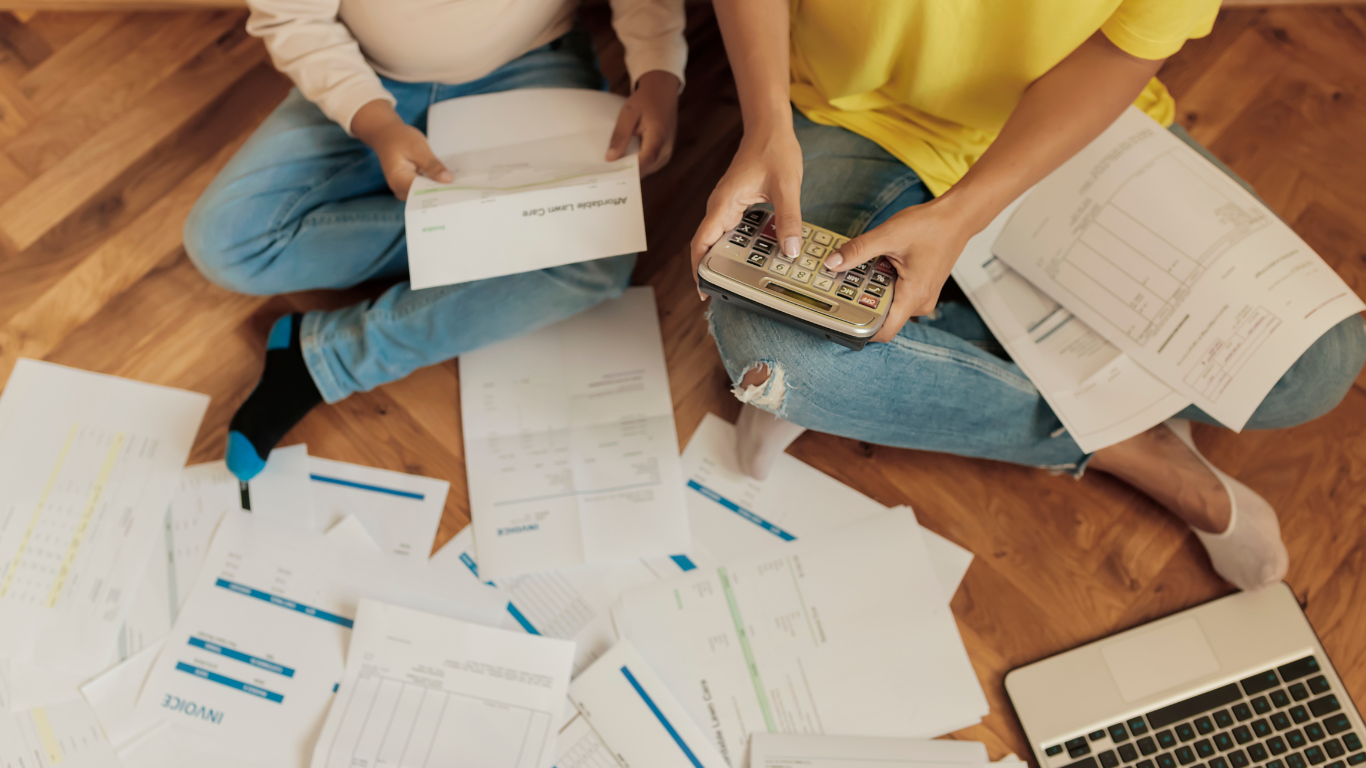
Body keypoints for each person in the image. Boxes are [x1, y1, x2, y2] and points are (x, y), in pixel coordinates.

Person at [690, 0, 1366, 591]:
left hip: (1056, 129)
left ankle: (911, 374)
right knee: (778, 362)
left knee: (1319, 366)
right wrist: (765, 125)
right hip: (851, 113)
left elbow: (1123, 48)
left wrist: (964, 213)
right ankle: (1121, 443)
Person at [185, 0, 686, 482]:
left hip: (529, 66)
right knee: (222, 242)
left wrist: (660, 70)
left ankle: (328, 357)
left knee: (599, 252)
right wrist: (375, 121)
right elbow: (291, 15)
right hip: (362, 71)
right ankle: (493, 230)